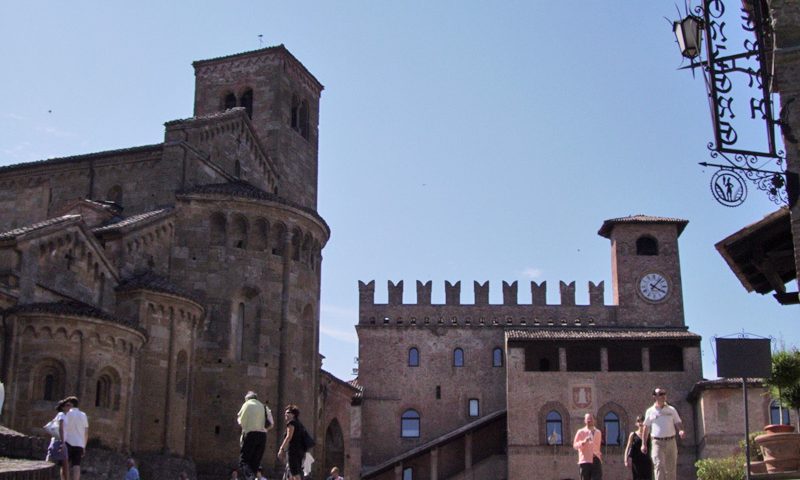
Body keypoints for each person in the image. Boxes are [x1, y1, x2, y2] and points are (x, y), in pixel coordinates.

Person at [641, 388, 685, 480]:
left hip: (671, 441)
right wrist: (643, 444)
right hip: (657, 442)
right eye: (660, 394)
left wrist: (681, 430)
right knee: (659, 465)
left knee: (671, 468)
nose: (663, 396)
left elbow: (678, 422)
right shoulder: (650, 411)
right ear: (654, 397)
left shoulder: (671, 410)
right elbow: (646, 427)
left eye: (664, 394)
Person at [237, 391, 272, 479]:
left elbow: (241, 421)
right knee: (255, 463)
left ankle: (251, 478)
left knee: (243, 461)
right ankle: (252, 477)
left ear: (247, 399)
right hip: (263, 437)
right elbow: (271, 423)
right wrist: (263, 429)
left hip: (251, 435)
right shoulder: (264, 406)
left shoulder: (247, 405)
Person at [62, 396, 89, 480]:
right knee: (76, 465)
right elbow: (86, 432)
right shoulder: (83, 415)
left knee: (64, 464)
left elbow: (62, 427)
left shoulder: (67, 414)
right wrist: (84, 446)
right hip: (79, 444)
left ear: (71, 404)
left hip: (67, 442)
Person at [278, 404, 306, 480]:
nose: (285, 414)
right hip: (300, 451)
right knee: (294, 472)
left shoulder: (291, 423)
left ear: (293, 414)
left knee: (294, 472)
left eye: (287, 412)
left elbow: (288, 437)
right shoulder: (299, 424)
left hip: (293, 451)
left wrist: (281, 449)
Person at [573, 412, 602, 480]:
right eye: (588, 419)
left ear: (594, 420)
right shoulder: (580, 431)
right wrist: (583, 442)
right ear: (585, 421)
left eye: (591, 418)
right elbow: (575, 445)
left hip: (596, 459)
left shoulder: (598, 432)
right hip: (585, 461)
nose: (589, 420)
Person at [45, 398, 69, 480]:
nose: (69, 407)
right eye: (67, 405)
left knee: (60, 463)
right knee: (64, 464)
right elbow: (61, 428)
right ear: (63, 407)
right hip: (59, 442)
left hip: (57, 441)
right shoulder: (61, 415)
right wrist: (63, 442)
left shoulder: (62, 415)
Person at [624, 415, 652, 480]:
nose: (641, 423)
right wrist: (626, 460)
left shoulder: (649, 435)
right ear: (636, 423)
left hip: (646, 461)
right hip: (636, 461)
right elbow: (628, 447)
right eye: (639, 421)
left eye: (642, 421)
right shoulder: (633, 435)